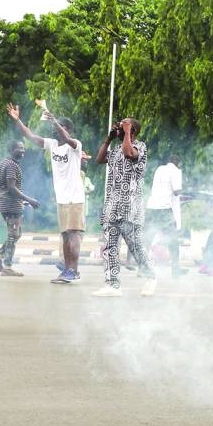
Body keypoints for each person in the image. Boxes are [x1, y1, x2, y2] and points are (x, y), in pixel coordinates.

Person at [7, 104, 85, 284]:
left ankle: (73, 271)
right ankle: (68, 270)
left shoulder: (75, 146)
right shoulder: (52, 144)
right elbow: (31, 136)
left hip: (75, 198)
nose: (55, 130)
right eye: (54, 127)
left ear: (68, 130)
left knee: (73, 235)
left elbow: (67, 138)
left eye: (59, 127)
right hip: (62, 198)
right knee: (65, 235)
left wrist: (54, 121)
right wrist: (17, 119)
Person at [92, 118, 155, 297]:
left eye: (121, 126)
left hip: (130, 208)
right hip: (112, 206)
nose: (118, 128)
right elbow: (99, 159)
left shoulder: (140, 147)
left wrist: (126, 131)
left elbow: (129, 154)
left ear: (132, 129)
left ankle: (151, 277)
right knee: (110, 247)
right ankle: (112, 285)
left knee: (135, 247)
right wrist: (108, 139)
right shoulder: (116, 149)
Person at [0, 140, 40, 277]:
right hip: (10, 204)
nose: (23, 151)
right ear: (11, 150)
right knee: (13, 235)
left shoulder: (5, 163)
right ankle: (7, 266)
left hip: (7, 203)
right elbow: (11, 188)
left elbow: (7, 188)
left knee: (17, 234)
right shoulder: (11, 165)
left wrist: (22, 201)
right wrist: (29, 199)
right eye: (19, 148)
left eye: (24, 148)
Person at [145, 154, 185, 277]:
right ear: (178, 163)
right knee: (173, 239)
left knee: (148, 238)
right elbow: (176, 191)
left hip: (151, 206)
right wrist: (188, 190)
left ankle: (142, 268)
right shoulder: (177, 171)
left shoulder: (159, 169)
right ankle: (176, 269)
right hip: (164, 209)